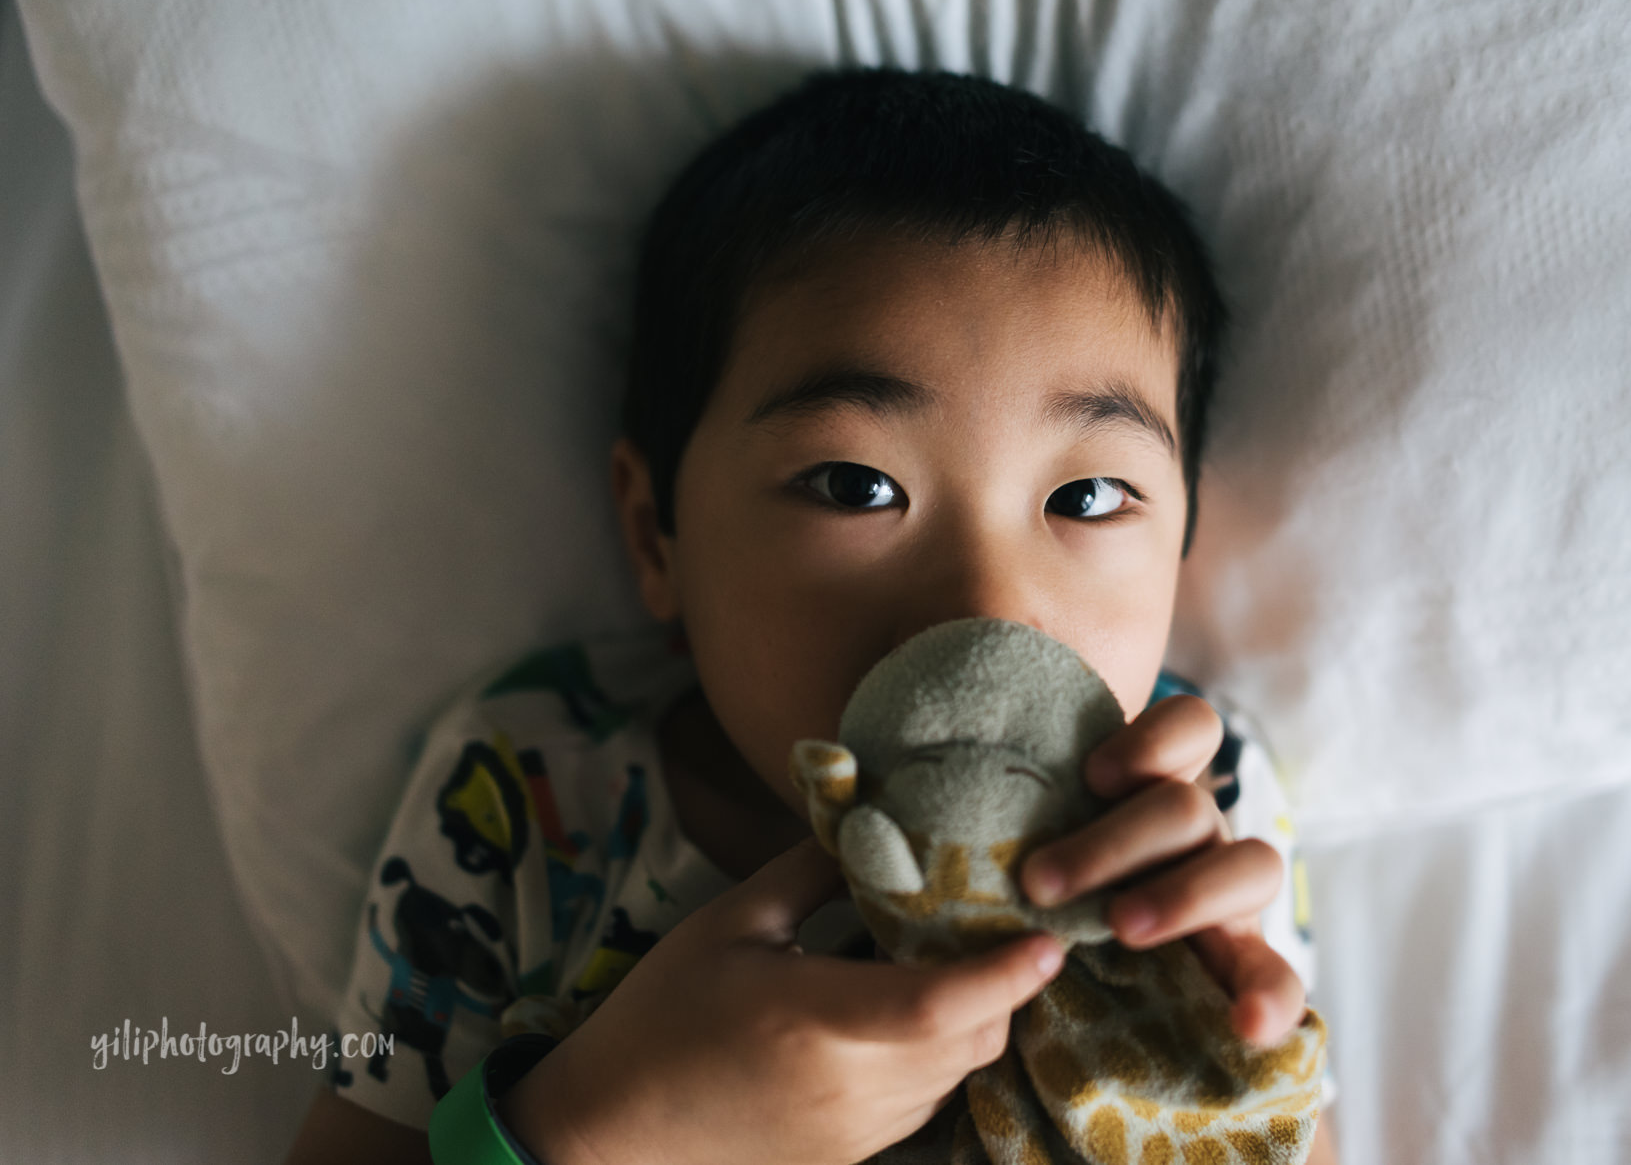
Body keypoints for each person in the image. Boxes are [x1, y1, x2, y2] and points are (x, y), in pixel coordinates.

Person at [285, 66, 1335, 1165]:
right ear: (657, 536)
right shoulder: (537, 789)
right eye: (855, 485)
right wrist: (598, 1128)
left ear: (1179, 548)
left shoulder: (1199, 818)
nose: (984, 608)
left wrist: (1209, 1057)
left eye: (1084, 497)